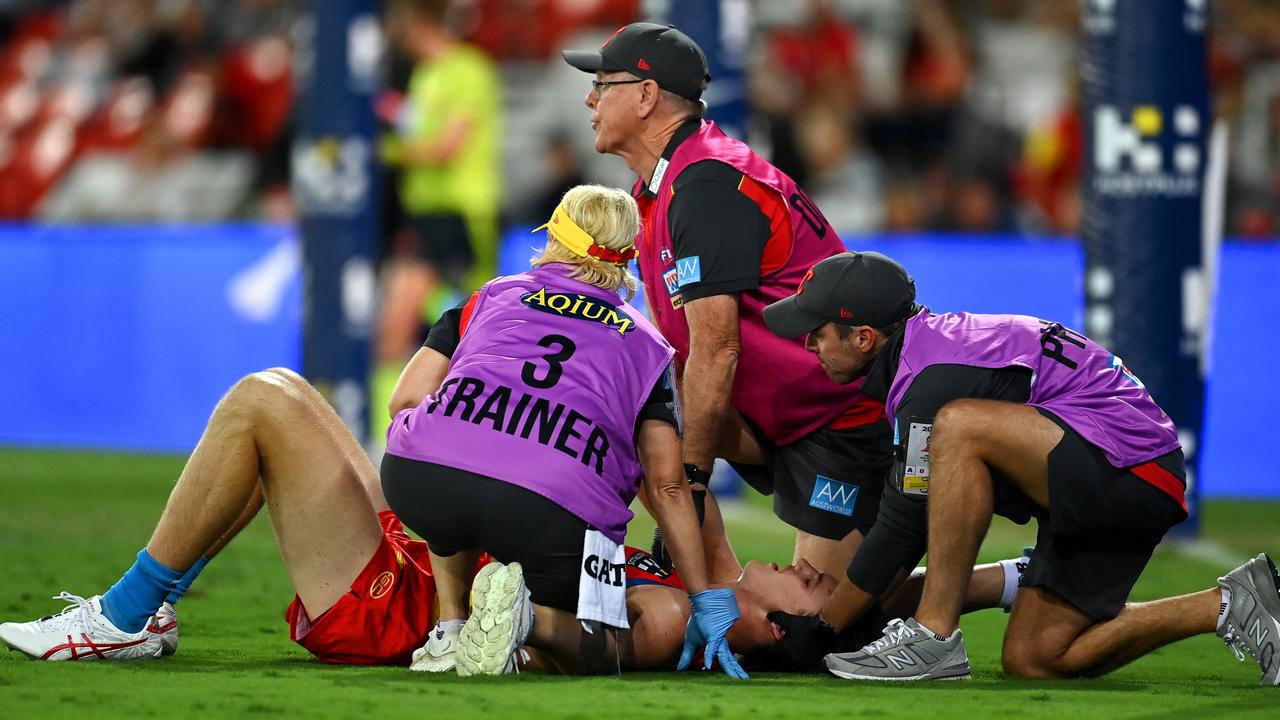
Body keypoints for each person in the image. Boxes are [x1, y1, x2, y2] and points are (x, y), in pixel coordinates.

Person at [0, 366, 886, 671]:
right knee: (291, 397)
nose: (812, 568)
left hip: (401, 609)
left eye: (809, 587)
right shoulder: (708, 587)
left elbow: (593, 647)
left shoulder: (669, 627)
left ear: (773, 630)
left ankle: (124, 617)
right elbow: (700, 449)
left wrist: (522, 618)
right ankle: (147, 613)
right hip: (434, 559)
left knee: (261, 404)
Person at [762, 250, 1280, 684]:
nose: (808, 343)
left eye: (817, 331)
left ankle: (934, 637)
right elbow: (908, 524)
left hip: (1132, 469)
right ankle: (1229, 602)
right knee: (1036, 657)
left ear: (864, 337)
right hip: (1111, 475)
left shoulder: (931, 380)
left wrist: (825, 629)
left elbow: (904, 526)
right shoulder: (926, 359)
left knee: (959, 427)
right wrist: (853, 614)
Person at [560, 22, 893, 600]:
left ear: (645, 95)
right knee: (630, 411)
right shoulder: (666, 185)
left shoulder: (705, 185)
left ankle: (1000, 583)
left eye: (602, 83)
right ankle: (707, 586)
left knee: (822, 623)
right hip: (777, 411)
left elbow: (718, 348)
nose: (589, 98)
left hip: (834, 417)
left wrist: (687, 484)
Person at [380, 184, 745, 678]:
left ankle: (451, 629)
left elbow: (402, 401)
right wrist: (703, 598)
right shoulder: (646, 344)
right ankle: (531, 620)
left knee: (452, 453)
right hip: (552, 516)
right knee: (611, 644)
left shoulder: (488, 296)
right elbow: (667, 485)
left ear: (554, 235)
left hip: (419, 481)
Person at [374, 0, 502, 443]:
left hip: (460, 213)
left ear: (412, 21)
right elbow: (419, 134)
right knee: (408, 327)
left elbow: (447, 147)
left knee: (464, 334)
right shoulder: (424, 76)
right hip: (425, 215)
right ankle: (390, 437)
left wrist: (381, 151)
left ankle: (410, 436)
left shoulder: (468, 70)